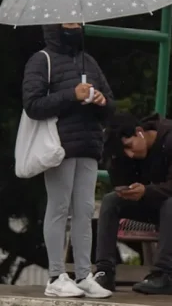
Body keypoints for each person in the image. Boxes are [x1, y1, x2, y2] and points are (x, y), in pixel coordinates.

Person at [22, 23, 115, 298]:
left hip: (89, 145)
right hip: (59, 146)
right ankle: (55, 276)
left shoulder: (89, 61)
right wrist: (71, 95)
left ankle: (84, 275)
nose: (75, 24)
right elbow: (32, 104)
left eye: (77, 20)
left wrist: (101, 101)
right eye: (69, 20)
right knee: (59, 207)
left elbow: (111, 105)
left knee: (84, 210)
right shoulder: (42, 60)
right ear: (55, 24)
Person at [95, 113, 172, 295]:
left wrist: (146, 191)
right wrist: (117, 161)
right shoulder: (130, 157)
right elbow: (122, 183)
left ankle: (163, 274)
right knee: (111, 201)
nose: (130, 154)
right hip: (156, 203)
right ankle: (104, 272)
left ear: (139, 132)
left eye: (129, 146)